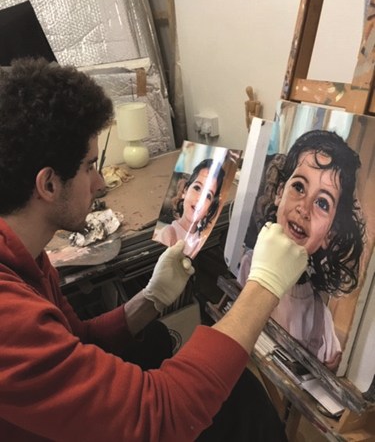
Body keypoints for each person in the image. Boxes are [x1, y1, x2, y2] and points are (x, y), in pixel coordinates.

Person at [0, 58, 308, 442]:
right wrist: (264, 284)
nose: (98, 183)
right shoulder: (7, 314)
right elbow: (157, 419)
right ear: (47, 185)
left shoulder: (27, 255)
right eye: (89, 166)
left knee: (211, 375)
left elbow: (76, 341)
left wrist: (150, 298)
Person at [239, 130, 365, 370]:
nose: (304, 208)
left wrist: (330, 367)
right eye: (299, 187)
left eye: (322, 203)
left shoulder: (319, 315)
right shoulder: (248, 267)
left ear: (331, 232)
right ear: (279, 193)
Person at [154, 159, 225, 258]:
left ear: (209, 209)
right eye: (197, 188)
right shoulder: (168, 233)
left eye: (208, 196)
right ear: (185, 191)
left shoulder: (202, 239)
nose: (200, 199)